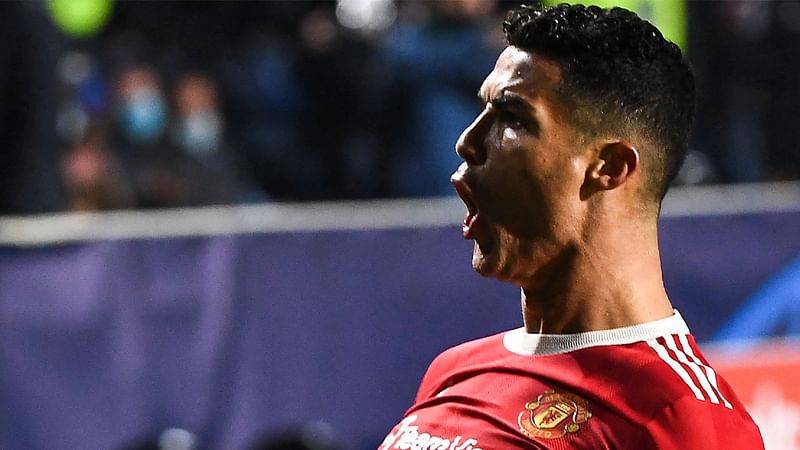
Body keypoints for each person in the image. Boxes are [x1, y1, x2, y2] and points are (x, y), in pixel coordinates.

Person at [381, 4, 764, 449]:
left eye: (512, 118)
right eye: (481, 109)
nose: (467, 141)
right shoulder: (455, 369)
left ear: (610, 166)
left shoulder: (681, 419)